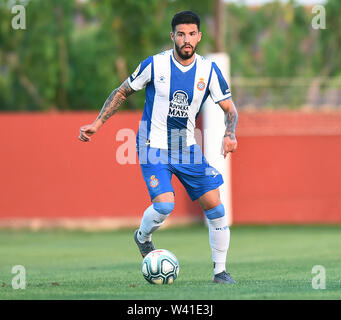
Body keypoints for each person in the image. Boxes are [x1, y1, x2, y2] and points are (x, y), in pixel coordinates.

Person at [78, 10, 238, 284]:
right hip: (153, 144)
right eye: (181, 34)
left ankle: (220, 272)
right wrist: (97, 123)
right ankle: (143, 237)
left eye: (191, 34)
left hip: (186, 147)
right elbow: (122, 91)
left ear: (199, 37)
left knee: (216, 207)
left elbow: (230, 109)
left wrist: (230, 133)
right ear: (172, 36)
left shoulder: (209, 71)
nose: (186, 40)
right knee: (165, 206)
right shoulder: (154, 65)